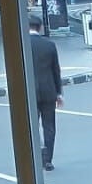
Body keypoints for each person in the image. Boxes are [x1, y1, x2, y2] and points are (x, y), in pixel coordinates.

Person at [29, 17, 63, 172]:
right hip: (49, 91)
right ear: (40, 27)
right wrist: (59, 93)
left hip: (29, 92)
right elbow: (56, 70)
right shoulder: (49, 45)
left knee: (31, 125)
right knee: (49, 126)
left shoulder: (22, 45)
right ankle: (47, 160)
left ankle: (34, 157)